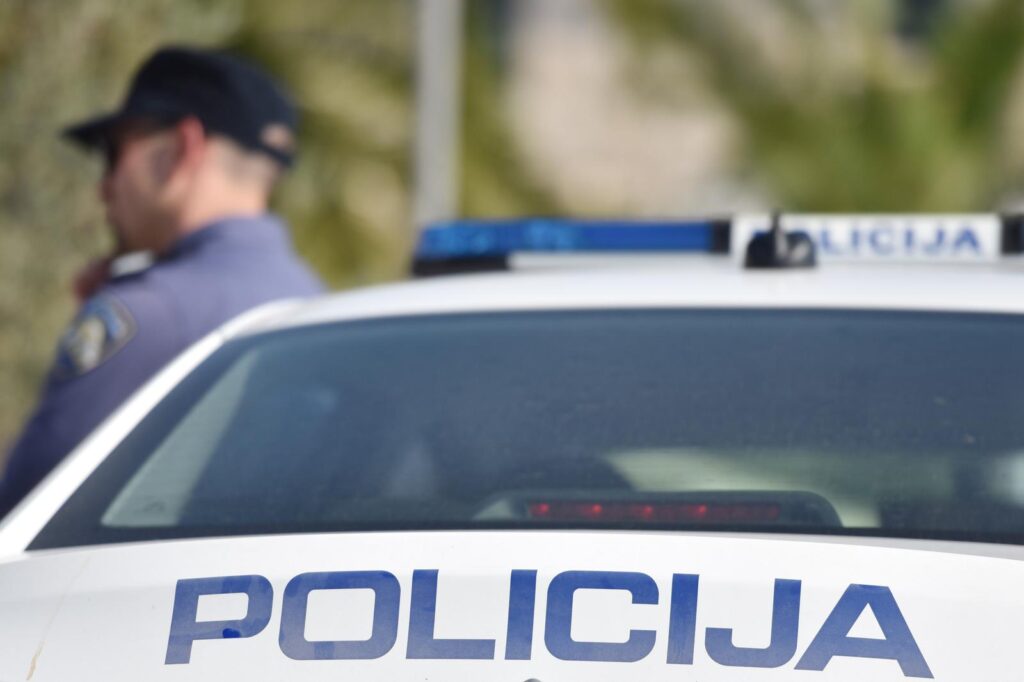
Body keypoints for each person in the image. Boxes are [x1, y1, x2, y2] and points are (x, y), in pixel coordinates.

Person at [0, 45, 325, 515]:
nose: (104, 186)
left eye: (113, 153)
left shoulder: (148, 312)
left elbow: (24, 509)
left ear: (181, 149)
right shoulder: (314, 296)